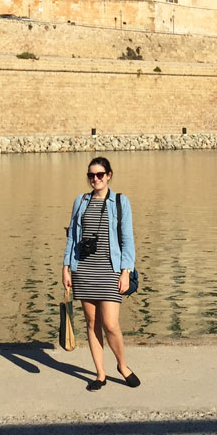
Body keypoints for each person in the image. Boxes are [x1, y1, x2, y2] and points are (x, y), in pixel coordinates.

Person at [62, 156, 140, 391]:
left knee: (111, 324)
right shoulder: (81, 201)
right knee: (91, 322)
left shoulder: (119, 201)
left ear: (108, 175)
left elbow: (128, 239)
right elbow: (72, 237)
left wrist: (126, 271)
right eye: (91, 175)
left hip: (109, 269)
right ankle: (100, 374)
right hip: (84, 269)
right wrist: (66, 267)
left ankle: (122, 366)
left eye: (99, 175)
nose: (95, 179)